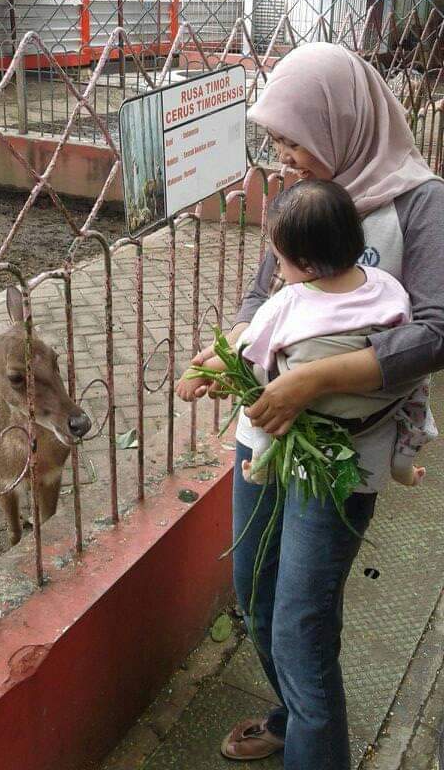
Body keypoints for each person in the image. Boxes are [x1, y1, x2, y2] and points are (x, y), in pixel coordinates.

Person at [176, 43, 444, 769]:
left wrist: (310, 383)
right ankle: (295, 716)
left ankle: (314, 748)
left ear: (343, 123)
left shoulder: (421, 202)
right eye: (276, 140)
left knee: (300, 619)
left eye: (295, 138)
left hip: (341, 452)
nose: (283, 154)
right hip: (265, 437)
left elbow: (435, 330)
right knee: (255, 591)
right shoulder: (304, 196)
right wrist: (229, 355)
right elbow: (267, 293)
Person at [178, 178, 431, 490]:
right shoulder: (386, 283)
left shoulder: (288, 301)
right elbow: (406, 329)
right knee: (419, 387)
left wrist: (197, 373)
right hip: (377, 408)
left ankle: (261, 457)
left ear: (307, 265)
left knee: (259, 384)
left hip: (316, 411)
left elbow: (243, 351)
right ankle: (403, 463)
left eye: (280, 261)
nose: (279, 272)